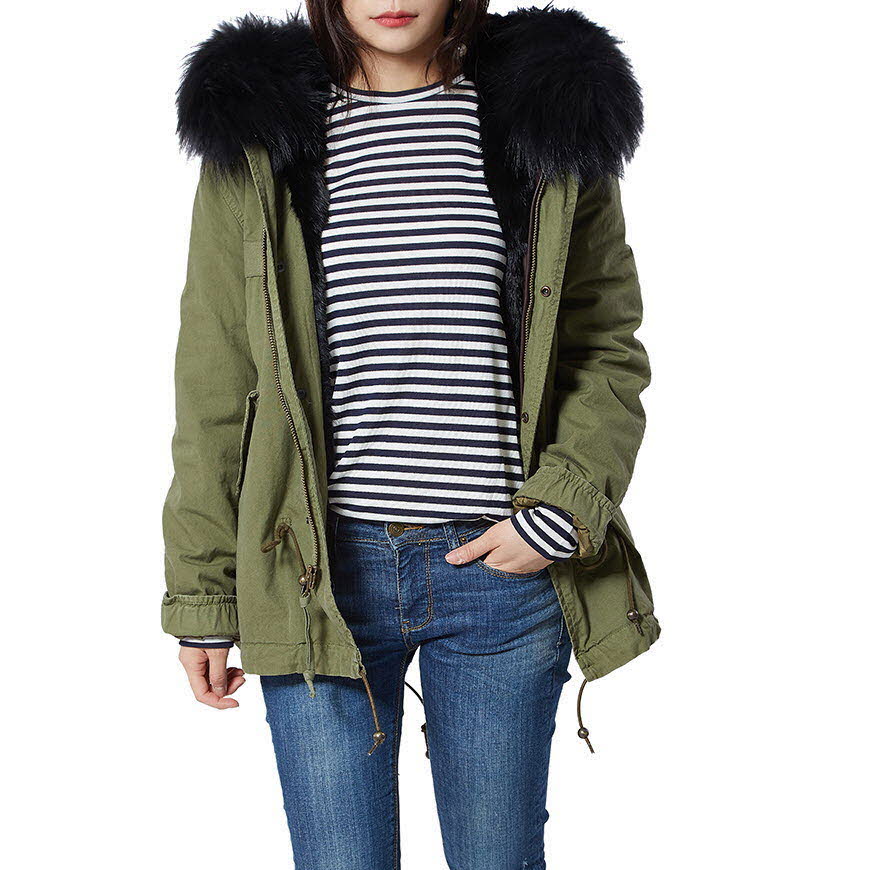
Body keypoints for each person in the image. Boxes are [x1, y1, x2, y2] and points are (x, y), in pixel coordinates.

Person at [163, 2, 660, 867]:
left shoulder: (547, 111)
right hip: (318, 574)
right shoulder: (260, 133)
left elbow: (605, 344)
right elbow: (216, 379)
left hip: (503, 576)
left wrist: (561, 509)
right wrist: (202, 594)